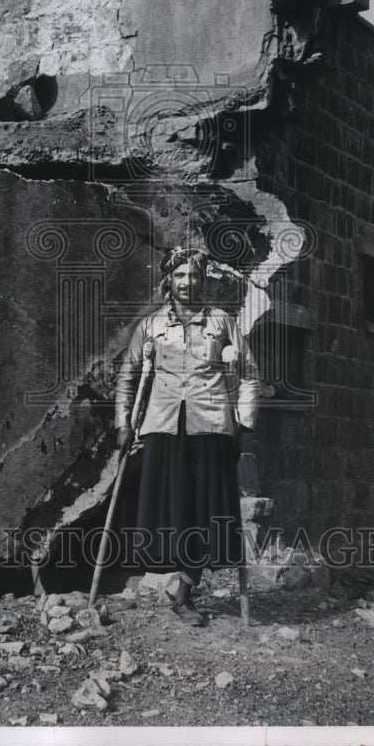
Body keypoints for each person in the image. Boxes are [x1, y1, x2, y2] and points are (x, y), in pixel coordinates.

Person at [114, 245, 260, 624]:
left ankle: (184, 592)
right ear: (168, 279)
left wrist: (244, 424)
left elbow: (249, 376)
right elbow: (128, 376)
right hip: (163, 425)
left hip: (210, 425)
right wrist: (123, 422)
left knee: (204, 511)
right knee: (169, 509)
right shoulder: (151, 326)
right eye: (179, 275)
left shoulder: (223, 323)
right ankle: (170, 585)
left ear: (203, 279)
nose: (186, 282)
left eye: (193, 275)